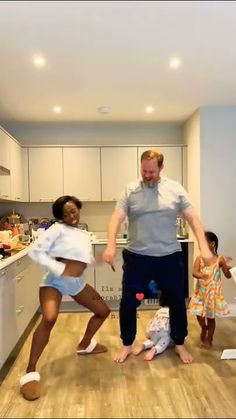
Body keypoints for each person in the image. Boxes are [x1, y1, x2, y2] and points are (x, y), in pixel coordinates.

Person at [103, 149, 213, 364]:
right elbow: (116, 218)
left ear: (161, 168)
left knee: (177, 303)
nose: (147, 175)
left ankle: (179, 344)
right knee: (128, 303)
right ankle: (127, 344)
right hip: (137, 257)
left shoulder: (175, 189)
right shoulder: (130, 190)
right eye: (144, 170)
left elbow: (193, 219)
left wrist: (204, 248)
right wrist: (110, 244)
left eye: (152, 171)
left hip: (169, 257)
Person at [20, 195, 110, 401]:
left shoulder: (83, 234)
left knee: (103, 311)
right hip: (53, 282)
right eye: (66, 214)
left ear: (78, 209)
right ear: (60, 217)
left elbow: (82, 259)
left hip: (76, 283)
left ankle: (85, 344)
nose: (72, 216)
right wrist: (60, 268)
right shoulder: (56, 230)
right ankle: (30, 371)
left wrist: (96, 260)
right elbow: (34, 252)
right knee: (49, 318)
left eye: (74, 211)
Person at [189, 231, 233, 348]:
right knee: (199, 316)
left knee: (211, 318)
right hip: (201, 294)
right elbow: (194, 272)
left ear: (212, 244)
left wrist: (228, 267)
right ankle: (204, 328)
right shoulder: (200, 258)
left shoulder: (220, 259)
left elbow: (227, 275)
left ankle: (209, 338)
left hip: (213, 295)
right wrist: (201, 275)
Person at [133, 290, 171, 361]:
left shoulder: (159, 311)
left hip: (153, 331)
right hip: (164, 332)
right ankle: (155, 350)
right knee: (164, 341)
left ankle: (144, 345)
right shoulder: (174, 311)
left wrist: (148, 333)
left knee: (153, 340)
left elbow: (152, 321)